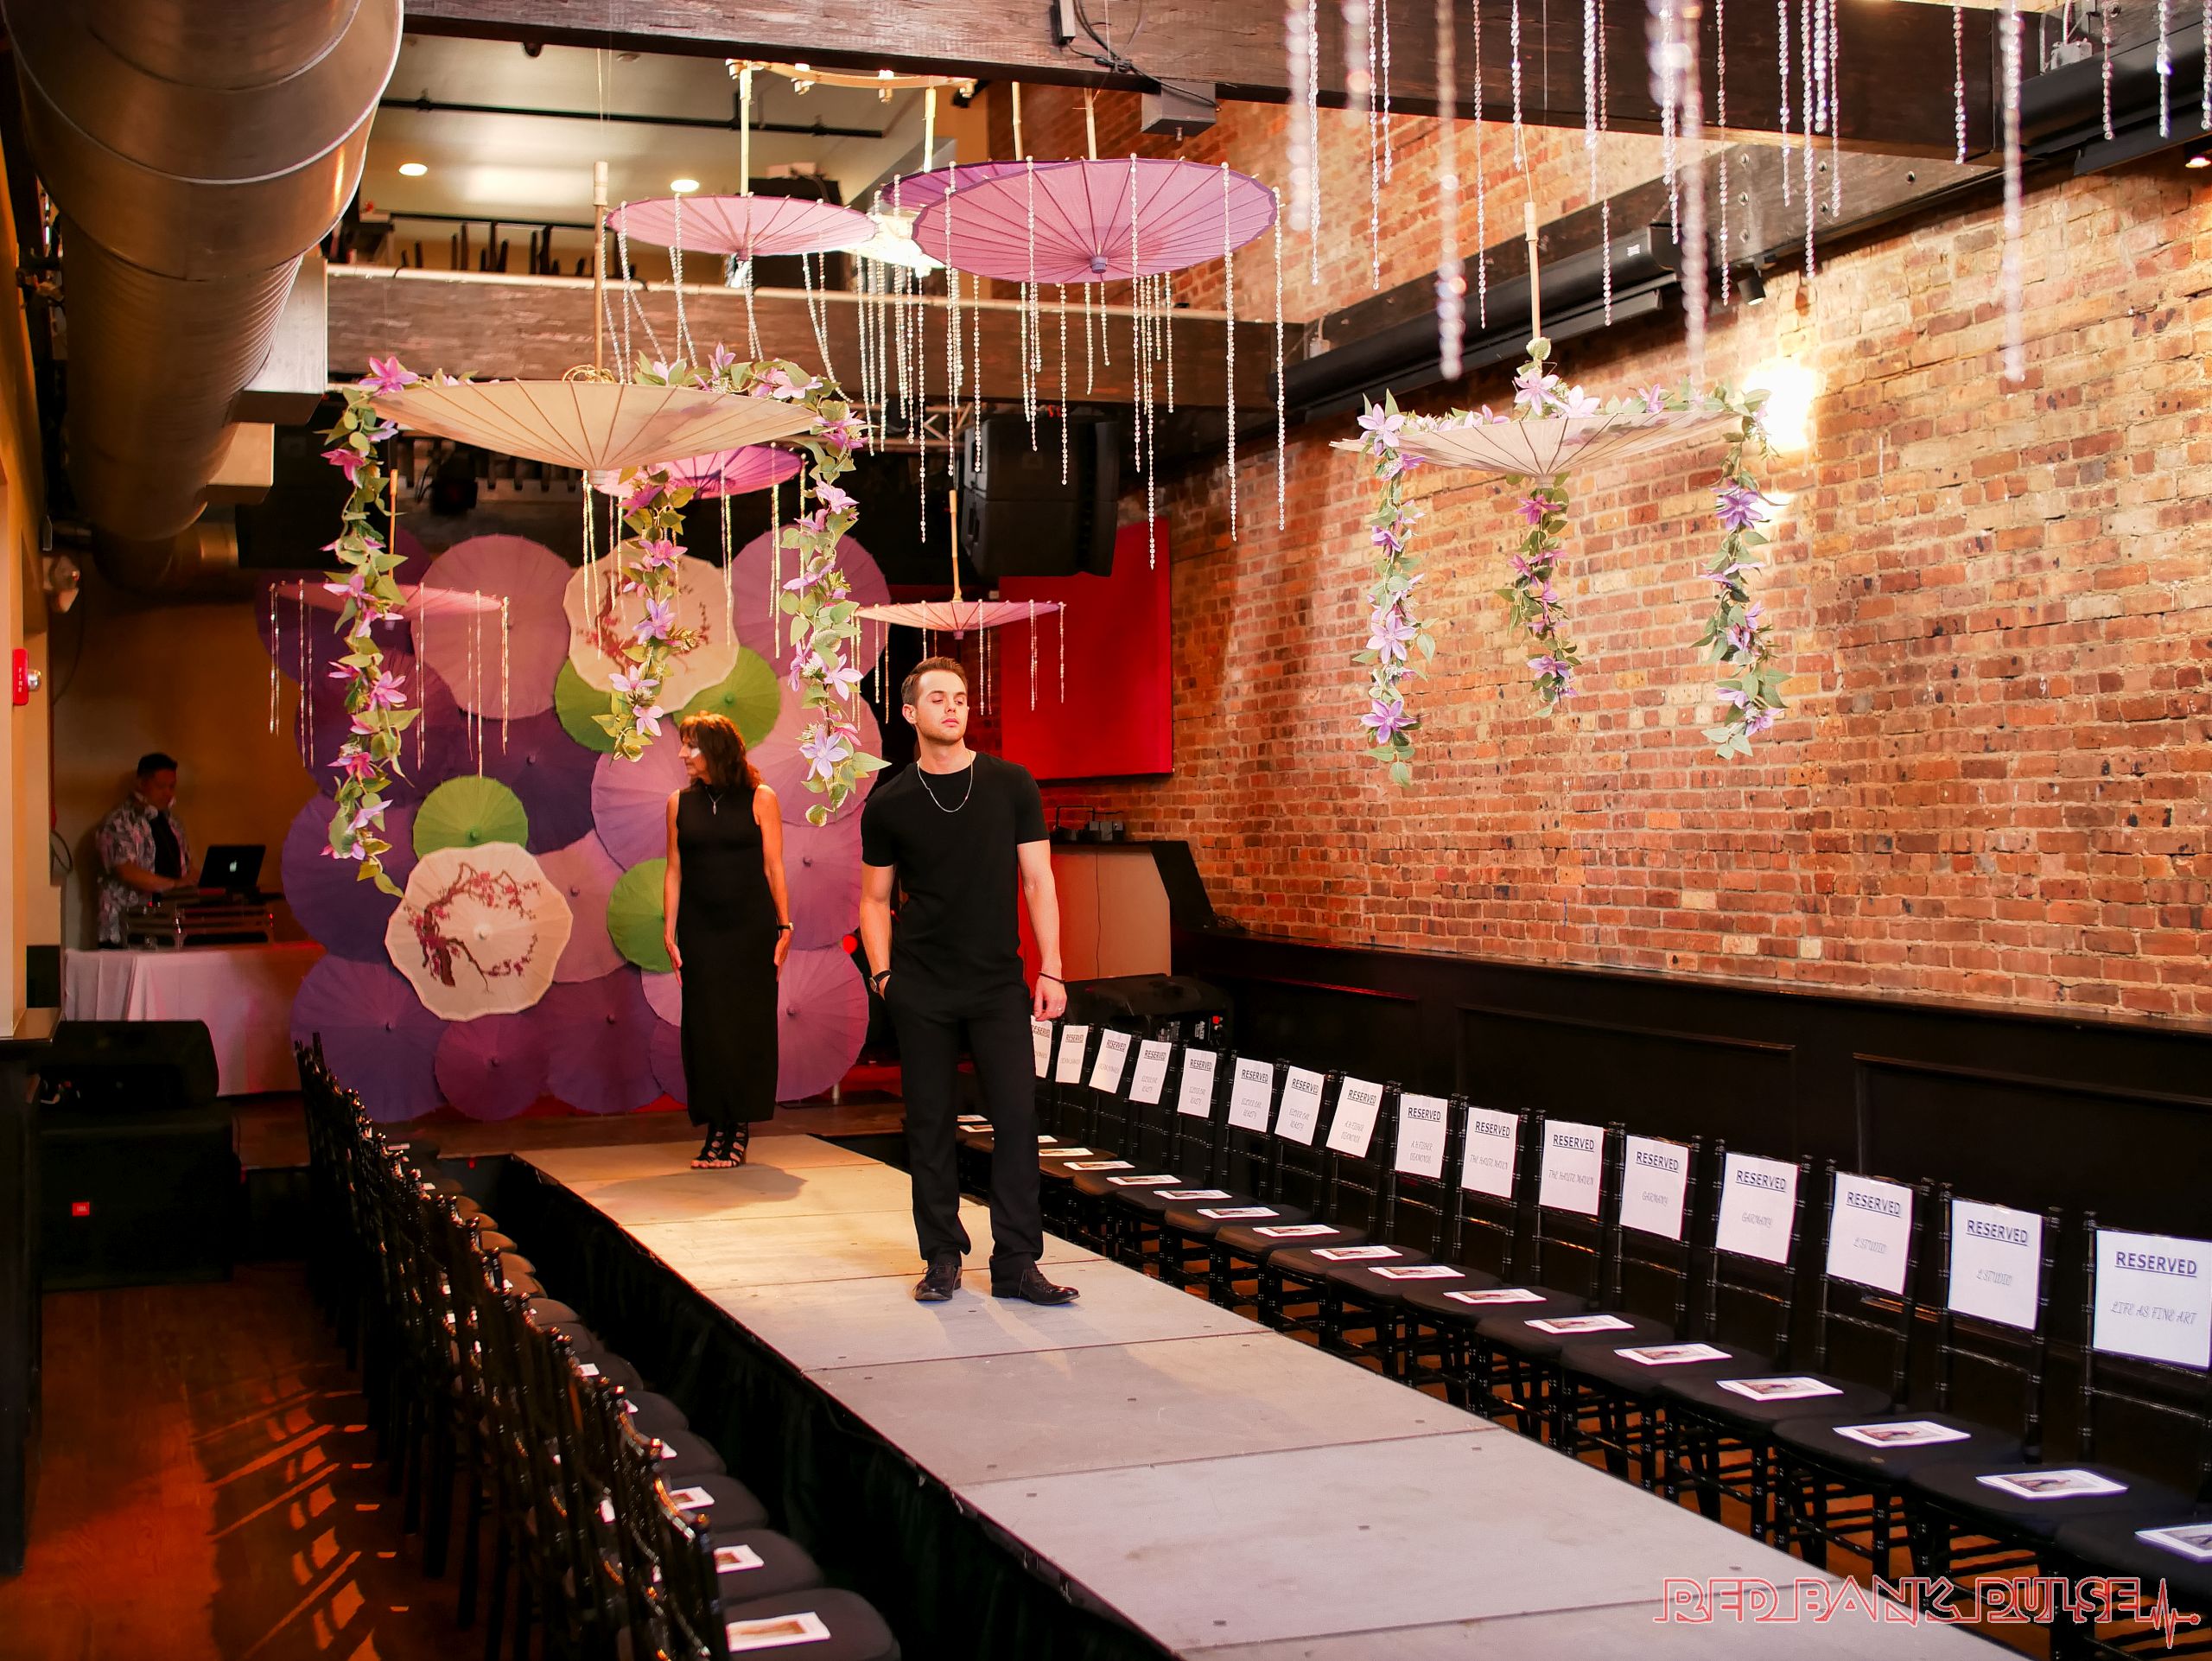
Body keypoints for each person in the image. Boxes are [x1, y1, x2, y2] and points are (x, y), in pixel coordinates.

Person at [858, 657, 1077, 1307]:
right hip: (921, 984)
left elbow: (1038, 880)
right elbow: (874, 899)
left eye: (959, 697)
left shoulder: (1011, 784)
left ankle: (1017, 1263)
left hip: (996, 983)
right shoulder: (890, 801)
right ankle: (942, 1256)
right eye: (938, 698)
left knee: (1015, 1118)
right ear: (910, 713)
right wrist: (884, 976)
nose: (953, 707)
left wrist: (1052, 966)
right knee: (930, 1125)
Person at [663, 713, 791, 1168]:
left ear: (717, 750)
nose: (683, 754)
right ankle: (715, 1126)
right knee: (706, 1028)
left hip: (750, 930)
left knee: (746, 1026)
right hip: (700, 931)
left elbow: (774, 867)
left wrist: (785, 926)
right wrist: (669, 930)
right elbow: (674, 869)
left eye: (691, 746)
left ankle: (738, 1127)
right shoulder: (679, 803)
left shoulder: (761, 798)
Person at [93, 752, 194, 946]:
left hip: (166, 928)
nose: (168, 793)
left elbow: (185, 868)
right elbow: (126, 871)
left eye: (172, 787)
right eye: (161, 787)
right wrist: (173, 884)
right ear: (141, 784)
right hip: (124, 931)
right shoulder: (118, 822)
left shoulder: (173, 823)